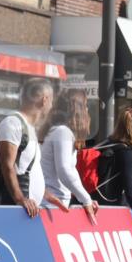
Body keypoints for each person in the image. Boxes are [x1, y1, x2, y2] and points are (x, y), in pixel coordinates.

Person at [0, 78, 67, 217]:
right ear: (44, 100)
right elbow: (7, 166)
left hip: (29, 211)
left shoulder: (29, 128)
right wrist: (20, 199)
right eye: (52, 101)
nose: (52, 106)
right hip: (16, 211)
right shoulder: (12, 123)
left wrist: (45, 194)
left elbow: (27, 168)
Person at [94, 107, 132, 242]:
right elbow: (129, 189)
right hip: (113, 211)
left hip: (96, 206)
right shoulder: (126, 152)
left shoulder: (107, 144)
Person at [41, 89, 98, 223]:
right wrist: (85, 199)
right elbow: (65, 170)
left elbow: (70, 170)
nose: (87, 109)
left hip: (54, 203)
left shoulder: (61, 131)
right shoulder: (63, 132)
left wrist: (85, 198)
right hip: (49, 205)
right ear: (77, 109)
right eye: (85, 105)